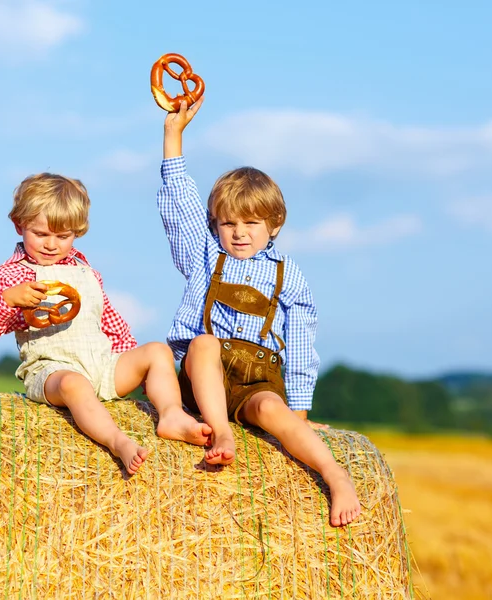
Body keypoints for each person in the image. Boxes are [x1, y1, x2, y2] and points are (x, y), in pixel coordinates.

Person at [157, 97, 361, 526]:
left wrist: (298, 414)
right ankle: (221, 430)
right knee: (204, 343)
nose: (239, 232)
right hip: (201, 378)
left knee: (272, 411)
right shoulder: (202, 253)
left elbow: (303, 345)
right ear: (214, 224)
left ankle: (335, 474)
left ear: (275, 225)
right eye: (229, 223)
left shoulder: (289, 276)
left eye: (251, 224)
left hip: (257, 377)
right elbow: (181, 205)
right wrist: (173, 136)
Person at [0, 173, 211, 475]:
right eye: (41, 234)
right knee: (74, 384)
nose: (51, 245)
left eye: (63, 236)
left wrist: (134, 365)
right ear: (19, 226)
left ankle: (172, 414)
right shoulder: (5, 277)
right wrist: (9, 299)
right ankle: (118, 441)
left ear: (77, 232)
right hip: (52, 371)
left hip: (100, 364)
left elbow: (110, 321)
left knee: (157, 352)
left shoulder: (87, 272)